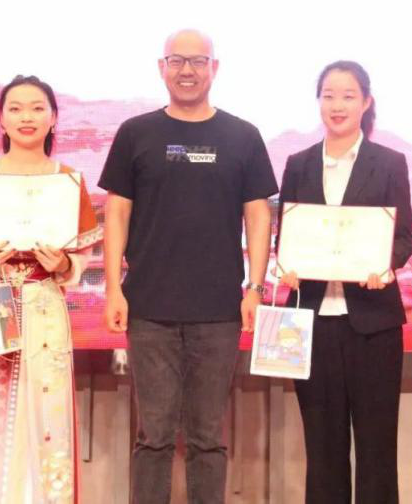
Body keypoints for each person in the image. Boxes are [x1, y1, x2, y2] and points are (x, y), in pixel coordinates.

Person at [98, 29, 278, 504]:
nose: (187, 71)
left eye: (198, 61)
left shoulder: (243, 136)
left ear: (214, 69)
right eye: (177, 61)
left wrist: (255, 288)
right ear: (162, 68)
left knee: (207, 438)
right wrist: (113, 288)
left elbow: (259, 215)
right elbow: (117, 212)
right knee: (154, 436)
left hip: (218, 311)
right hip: (149, 309)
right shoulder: (136, 133)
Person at [0, 75, 102, 504]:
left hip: (44, 305)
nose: (27, 117)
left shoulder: (69, 181)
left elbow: (82, 253)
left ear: (54, 118)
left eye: (38, 108)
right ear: (1, 119)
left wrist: (64, 265)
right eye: (16, 108)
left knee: (46, 412)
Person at [278, 60, 412, 504]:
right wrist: (287, 265)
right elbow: (288, 237)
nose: (337, 105)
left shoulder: (389, 163)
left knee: (376, 449)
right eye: (329, 95)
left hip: (374, 324)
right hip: (311, 323)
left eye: (348, 96)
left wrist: (384, 265)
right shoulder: (298, 164)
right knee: (322, 449)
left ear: (366, 102)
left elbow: (404, 238)